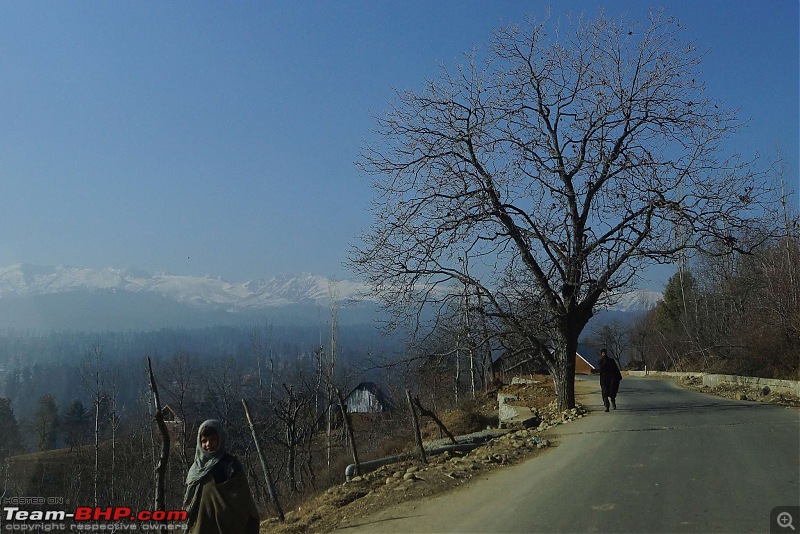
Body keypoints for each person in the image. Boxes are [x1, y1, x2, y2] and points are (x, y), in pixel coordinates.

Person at [183, 419, 260, 534]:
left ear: (220, 438)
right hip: (200, 526)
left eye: (213, 439)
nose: (208, 444)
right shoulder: (196, 469)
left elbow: (242, 501)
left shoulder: (230, 465)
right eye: (204, 441)